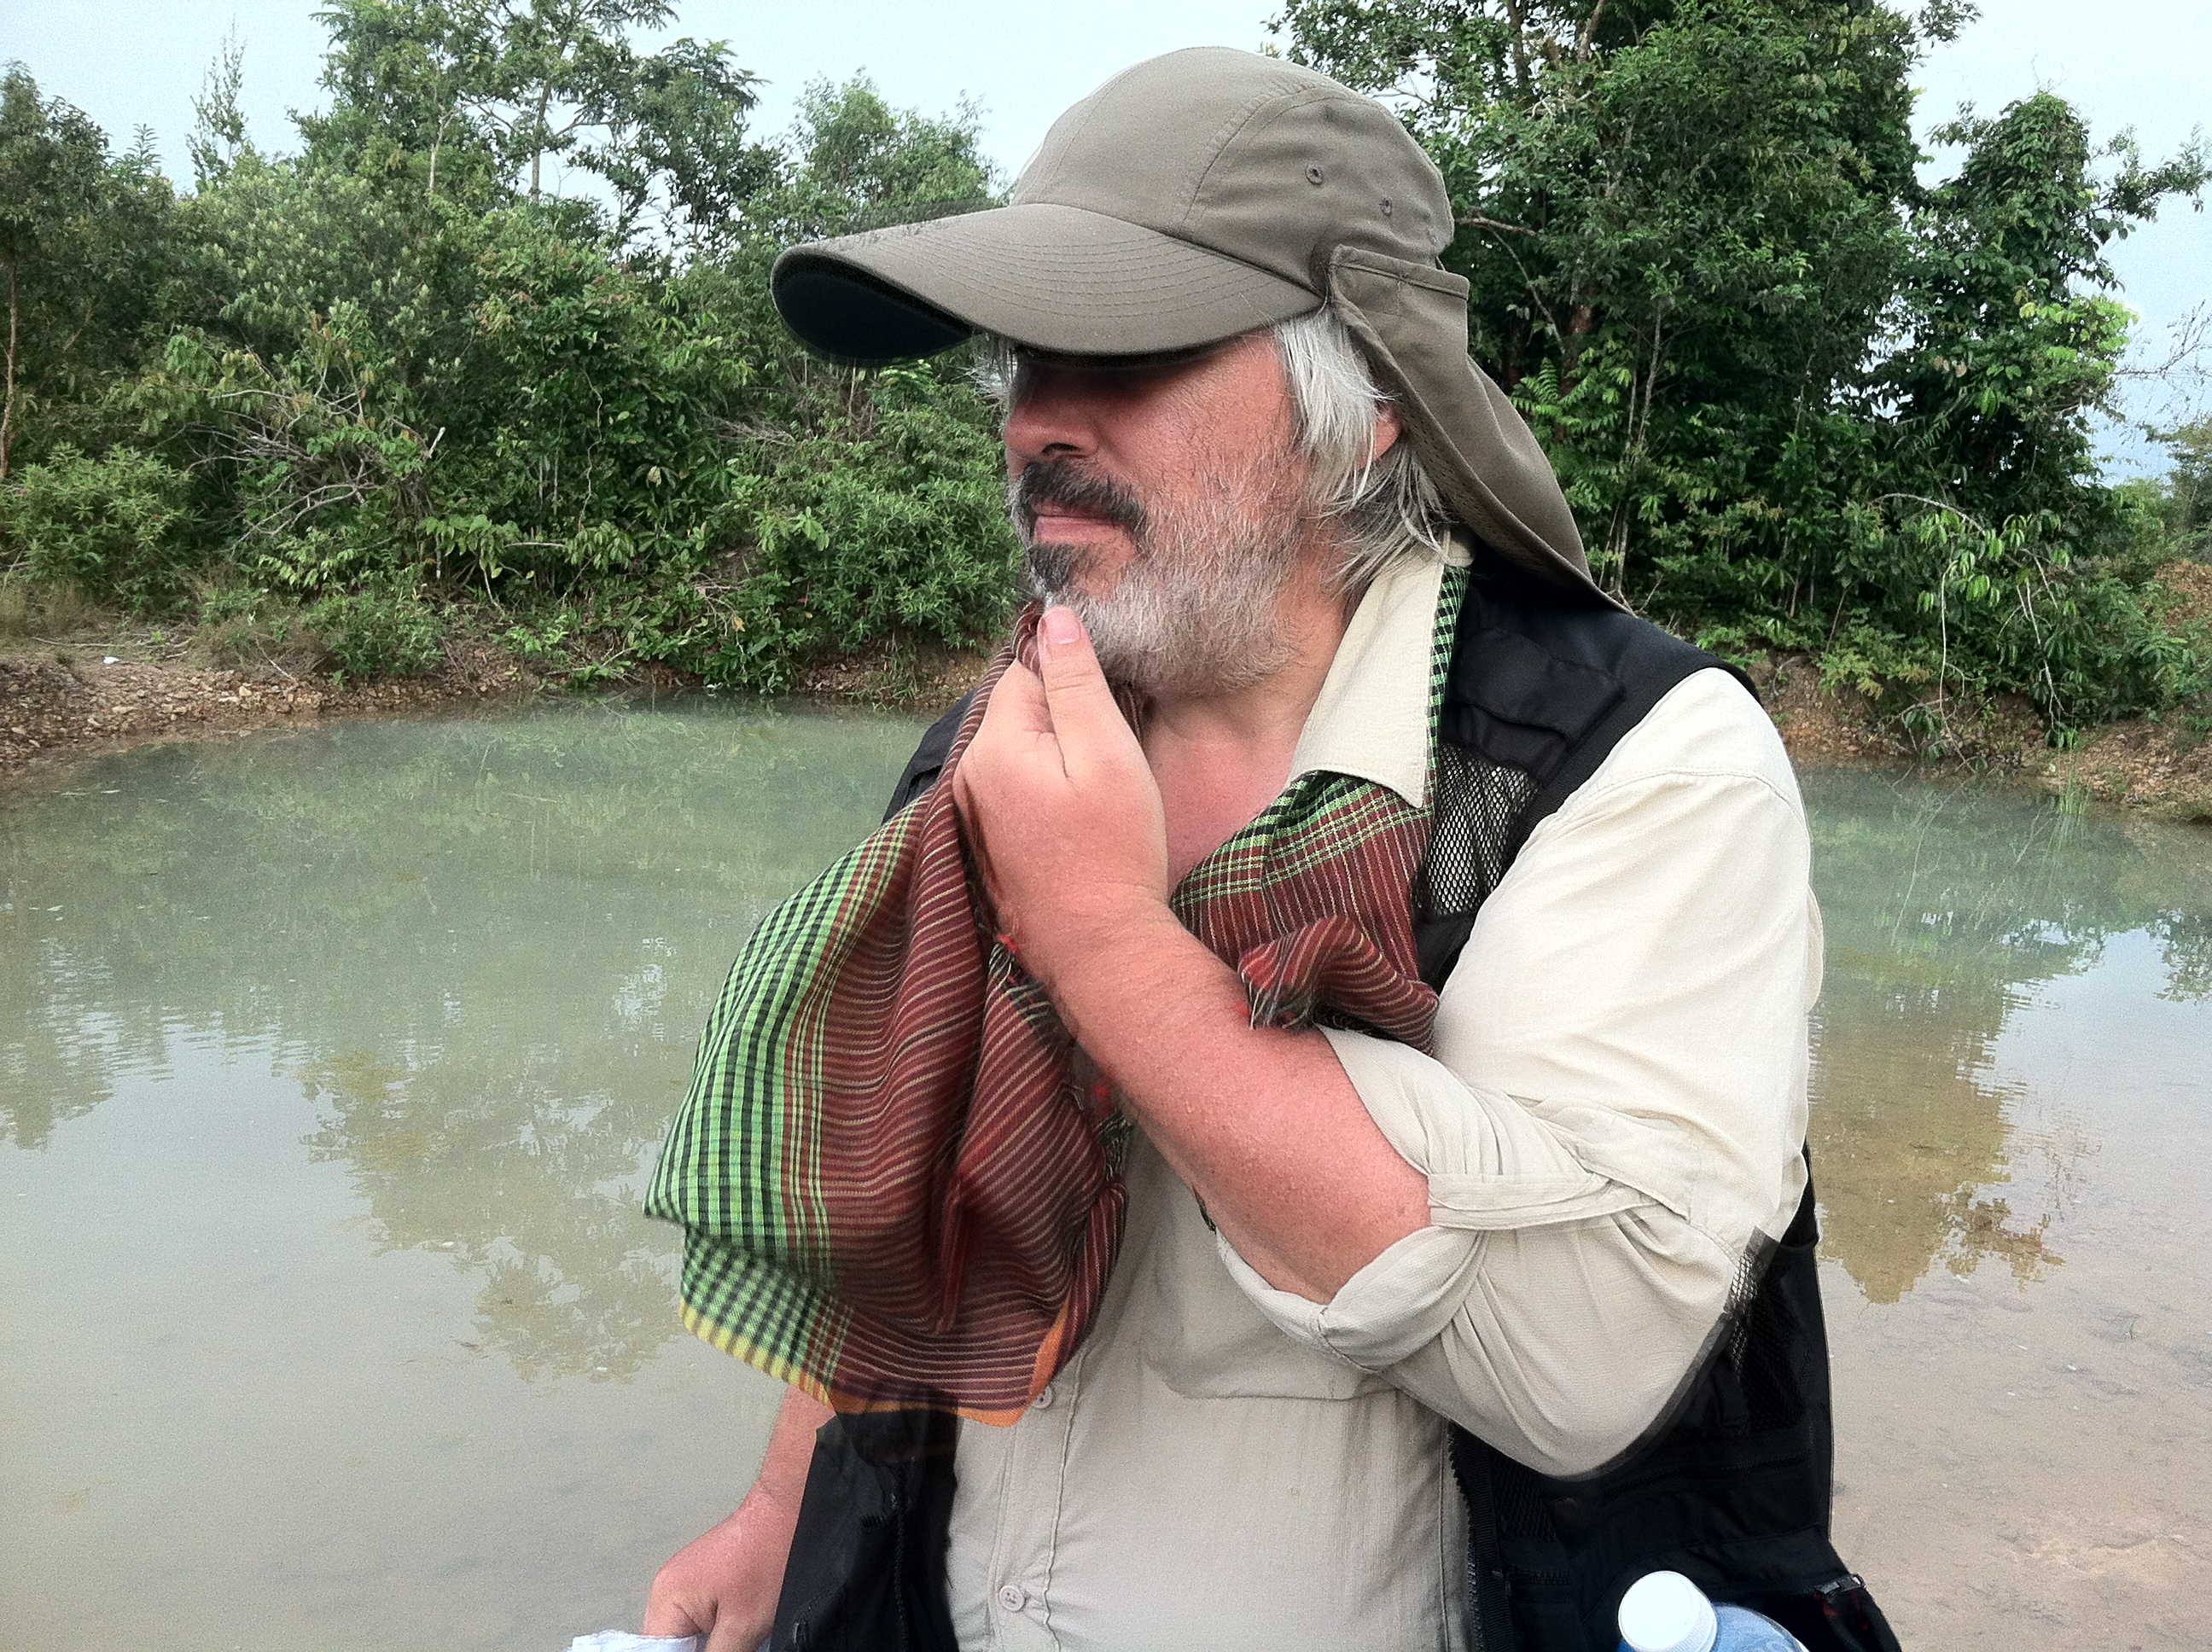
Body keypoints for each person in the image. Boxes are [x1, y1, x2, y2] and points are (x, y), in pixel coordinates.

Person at [642, 46, 1896, 1652]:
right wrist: (775, 1509)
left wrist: (1101, 940)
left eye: (1129, 351)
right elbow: (908, 1197)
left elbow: (1573, 1363)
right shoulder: (1015, 742)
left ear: (1362, 412)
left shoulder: (1636, 763)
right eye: (1027, 358)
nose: (1040, 422)